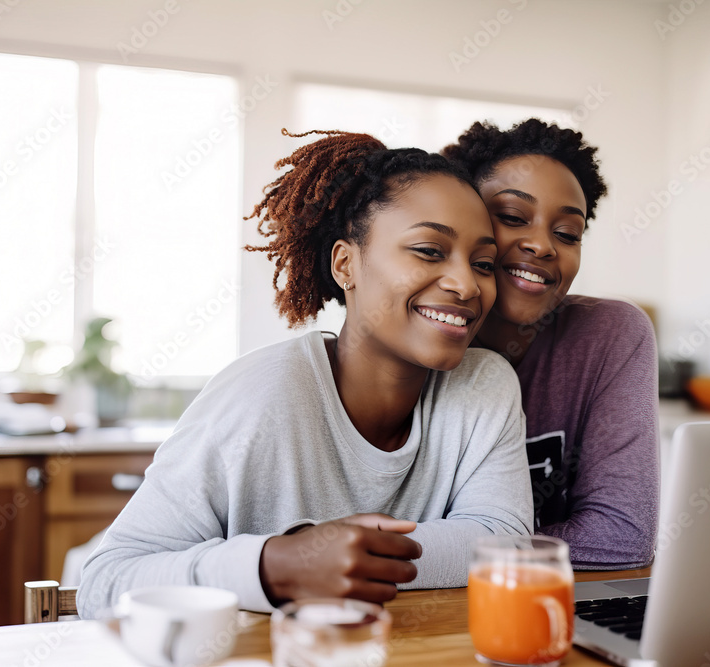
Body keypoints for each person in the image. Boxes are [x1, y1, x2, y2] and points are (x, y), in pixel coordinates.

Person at [77, 129, 533, 617]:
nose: (466, 284)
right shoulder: (260, 395)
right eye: (428, 250)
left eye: (483, 263)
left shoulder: (485, 385)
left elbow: (508, 547)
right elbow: (105, 582)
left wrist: (350, 557)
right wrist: (275, 565)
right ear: (345, 264)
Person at [442, 119, 659, 569]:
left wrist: (458, 547)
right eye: (512, 218)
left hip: (545, 603)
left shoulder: (612, 336)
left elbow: (621, 537)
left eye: (567, 234)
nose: (542, 245)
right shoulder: (420, 339)